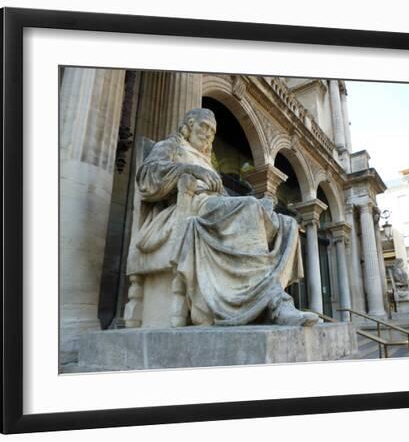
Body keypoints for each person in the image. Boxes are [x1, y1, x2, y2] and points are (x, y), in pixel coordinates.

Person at [126, 108, 318, 327]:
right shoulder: (171, 146)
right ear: (188, 126)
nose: (208, 134)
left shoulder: (208, 161)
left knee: (287, 223)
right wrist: (190, 170)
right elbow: (146, 177)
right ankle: (274, 303)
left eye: (212, 131)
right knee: (249, 208)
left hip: (212, 208)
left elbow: (224, 199)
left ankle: (260, 299)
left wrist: (258, 206)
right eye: (204, 126)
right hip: (190, 207)